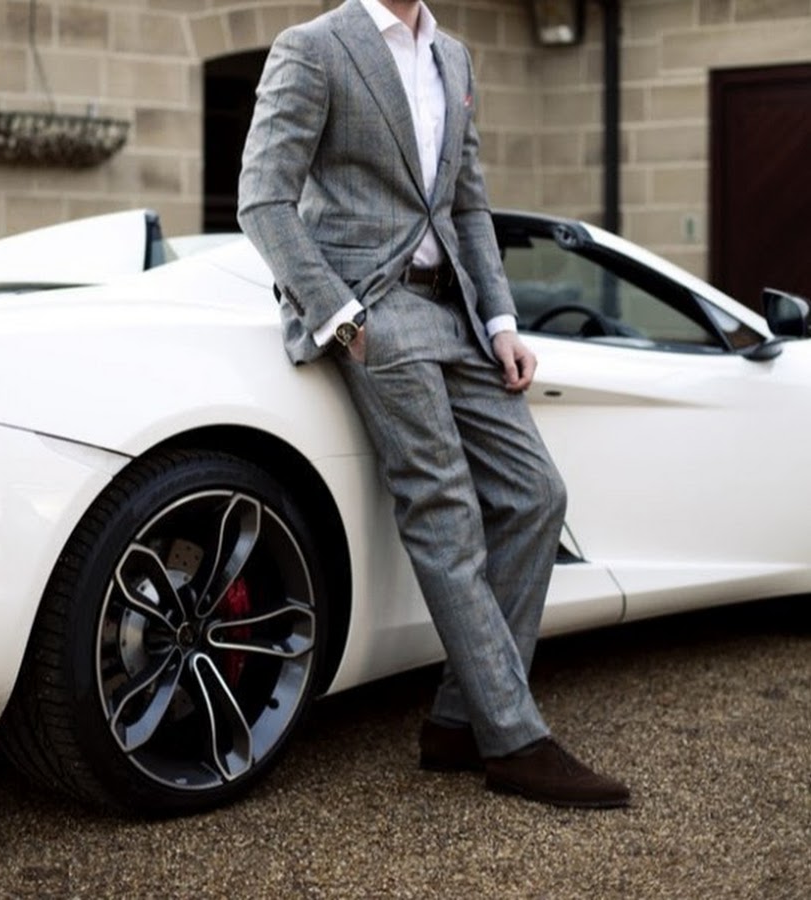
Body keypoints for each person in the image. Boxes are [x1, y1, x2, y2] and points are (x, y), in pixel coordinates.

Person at [238, 0, 629, 809]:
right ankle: (513, 738)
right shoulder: (314, 48)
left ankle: (456, 720)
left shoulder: (453, 55)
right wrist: (343, 318)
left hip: (455, 310)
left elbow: (468, 203)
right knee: (444, 510)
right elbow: (262, 198)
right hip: (374, 311)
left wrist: (501, 321)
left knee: (536, 496)